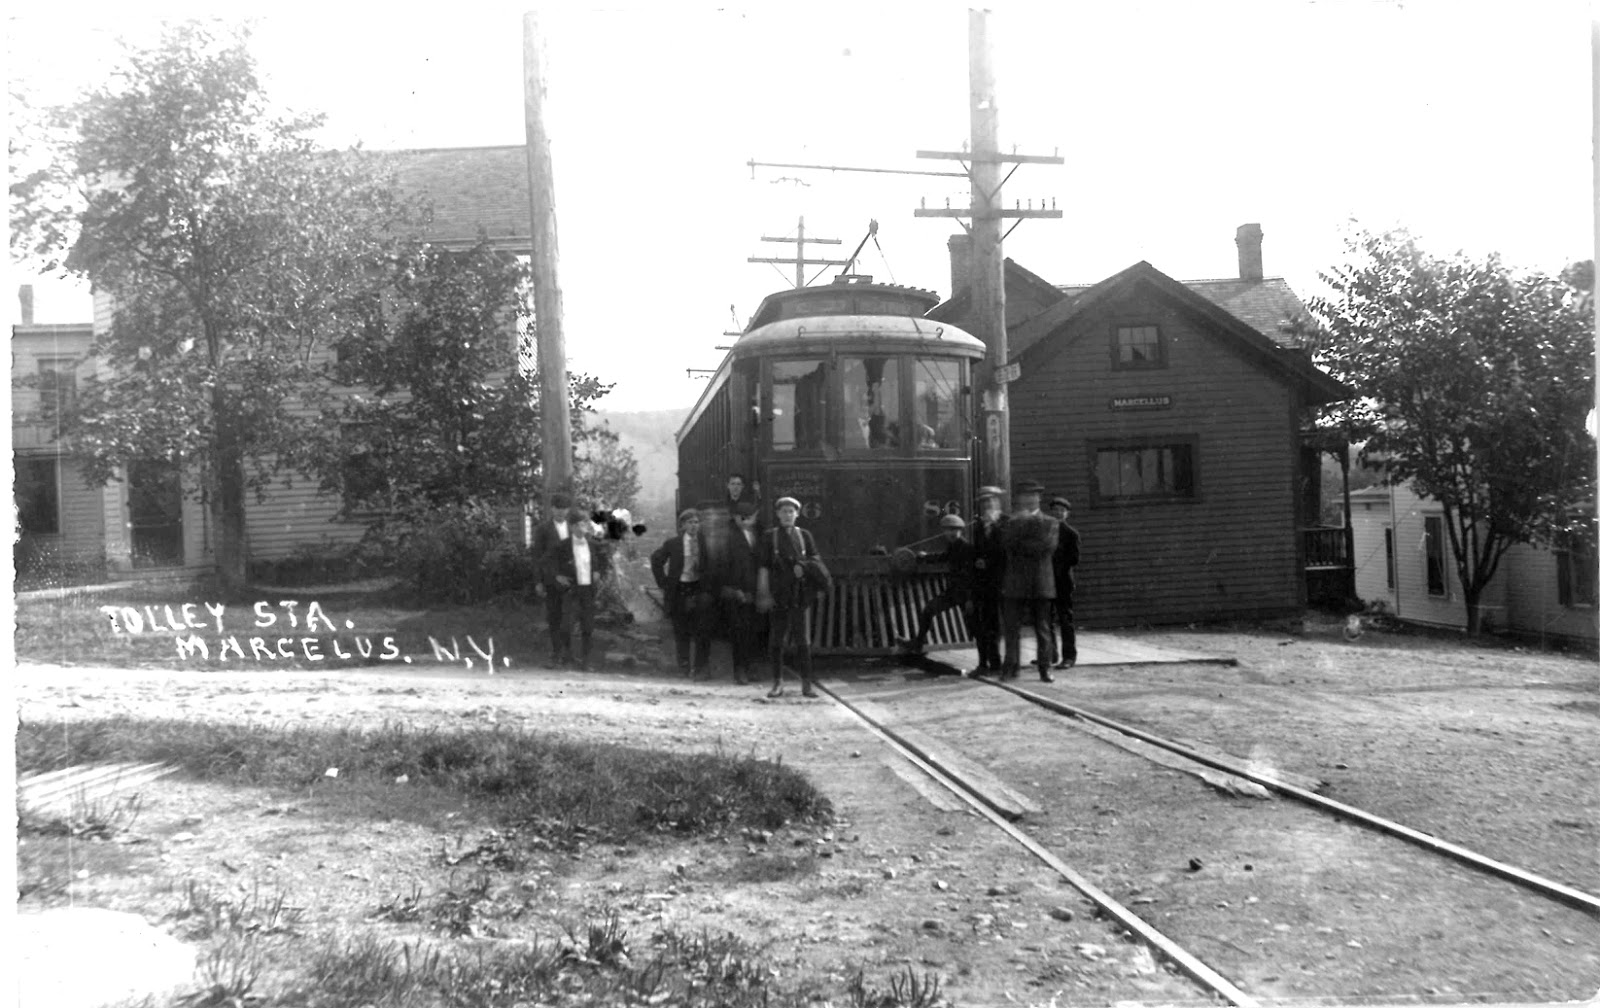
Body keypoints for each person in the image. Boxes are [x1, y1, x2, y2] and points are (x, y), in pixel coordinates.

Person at [756, 496, 824, 698]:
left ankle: (806, 684)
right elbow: (763, 567)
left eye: (791, 512)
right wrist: (764, 594)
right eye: (783, 511)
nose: (787, 515)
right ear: (777, 514)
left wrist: (805, 568)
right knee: (777, 641)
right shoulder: (771, 537)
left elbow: (816, 561)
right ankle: (777, 683)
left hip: (800, 596)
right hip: (779, 596)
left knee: (803, 641)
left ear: (797, 514)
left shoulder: (805, 535)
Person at [999, 480, 1059, 682]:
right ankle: (1011, 667)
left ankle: (1045, 668)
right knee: (1011, 628)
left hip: (1041, 583)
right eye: (1024, 496)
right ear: (1019, 499)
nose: (1028, 500)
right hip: (1016, 583)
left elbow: (1045, 547)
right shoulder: (1010, 522)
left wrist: (1021, 543)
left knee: (1042, 628)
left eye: (1032, 496)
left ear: (1038, 498)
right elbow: (1007, 545)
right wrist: (1025, 539)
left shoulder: (1051, 522)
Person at [650, 508, 714, 679]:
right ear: (683, 525)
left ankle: (701, 668)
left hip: (698, 589)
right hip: (680, 590)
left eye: (696, 522)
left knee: (702, 630)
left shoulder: (703, 542)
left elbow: (708, 565)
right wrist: (664, 583)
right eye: (690, 522)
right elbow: (656, 560)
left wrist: (706, 586)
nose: (694, 526)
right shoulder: (674, 543)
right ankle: (684, 667)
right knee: (681, 630)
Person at [898, 514, 975, 656]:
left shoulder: (966, 548)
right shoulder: (953, 546)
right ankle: (918, 643)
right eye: (948, 530)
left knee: (977, 627)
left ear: (960, 531)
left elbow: (971, 576)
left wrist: (970, 598)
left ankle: (988, 661)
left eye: (954, 530)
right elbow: (943, 557)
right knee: (928, 610)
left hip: (965, 594)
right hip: (954, 593)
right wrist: (925, 557)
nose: (951, 533)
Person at [549, 510, 611, 670]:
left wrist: (598, 571)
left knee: (588, 626)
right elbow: (548, 562)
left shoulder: (593, 545)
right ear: (570, 527)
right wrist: (557, 576)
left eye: (582, 524)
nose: (579, 528)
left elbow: (604, 560)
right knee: (567, 625)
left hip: (588, 590)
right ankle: (567, 656)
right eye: (575, 525)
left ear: (587, 525)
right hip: (572, 589)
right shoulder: (562, 546)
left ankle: (586, 661)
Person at [712, 500, 763, 685]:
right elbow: (722, 567)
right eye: (746, 517)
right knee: (739, 631)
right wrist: (736, 590)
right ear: (736, 518)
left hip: (755, 590)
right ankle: (739, 670)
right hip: (737, 591)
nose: (750, 520)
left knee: (753, 631)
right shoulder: (728, 537)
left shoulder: (757, 534)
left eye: (752, 516)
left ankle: (751, 668)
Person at [531, 490, 576, 667]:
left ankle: (569, 654)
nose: (560, 512)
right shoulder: (543, 529)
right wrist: (538, 581)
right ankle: (556, 654)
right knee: (554, 618)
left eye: (564, 509)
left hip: (572, 580)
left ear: (568, 510)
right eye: (557, 508)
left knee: (569, 619)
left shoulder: (574, 528)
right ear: (552, 509)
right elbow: (537, 557)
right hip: (551, 580)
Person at [968, 485, 1008, 676]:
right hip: (981, 584)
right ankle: (984, 663)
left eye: (990, 501)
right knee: (981, 625)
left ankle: (997, 663)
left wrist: (988, 562)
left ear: (998, 502)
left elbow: (1008, 553)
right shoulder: (977, 528)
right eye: (984, 502)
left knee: (996, 625)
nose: (987, 506)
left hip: (1000, 583)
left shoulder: (1006, 524)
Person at [1047, 496, 1081, 670]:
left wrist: (1057, 565)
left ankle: (1069, 657)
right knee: (1046, 618)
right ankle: (1050, 655)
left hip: (1063, 582)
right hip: (1046, 581)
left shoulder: (1071, 534)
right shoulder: (1045, 531)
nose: (1058, 513)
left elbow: (1074, 559)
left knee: (1065, 619)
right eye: (1055, 511)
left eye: (1062, 511)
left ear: (1066, 514)